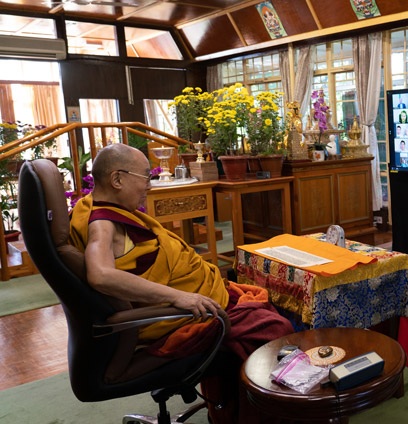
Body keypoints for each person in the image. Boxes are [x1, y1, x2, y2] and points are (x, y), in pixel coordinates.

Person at [68, 144, 295, 424]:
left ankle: (227, 411)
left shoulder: (95, 206)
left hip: (200, 295)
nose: (148, 186)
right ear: (117, 179)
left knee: (259, 306)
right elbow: (100, 275)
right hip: (178, 316)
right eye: (145, 177)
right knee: (275, 328)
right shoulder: (103, 224)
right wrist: (179, 297)